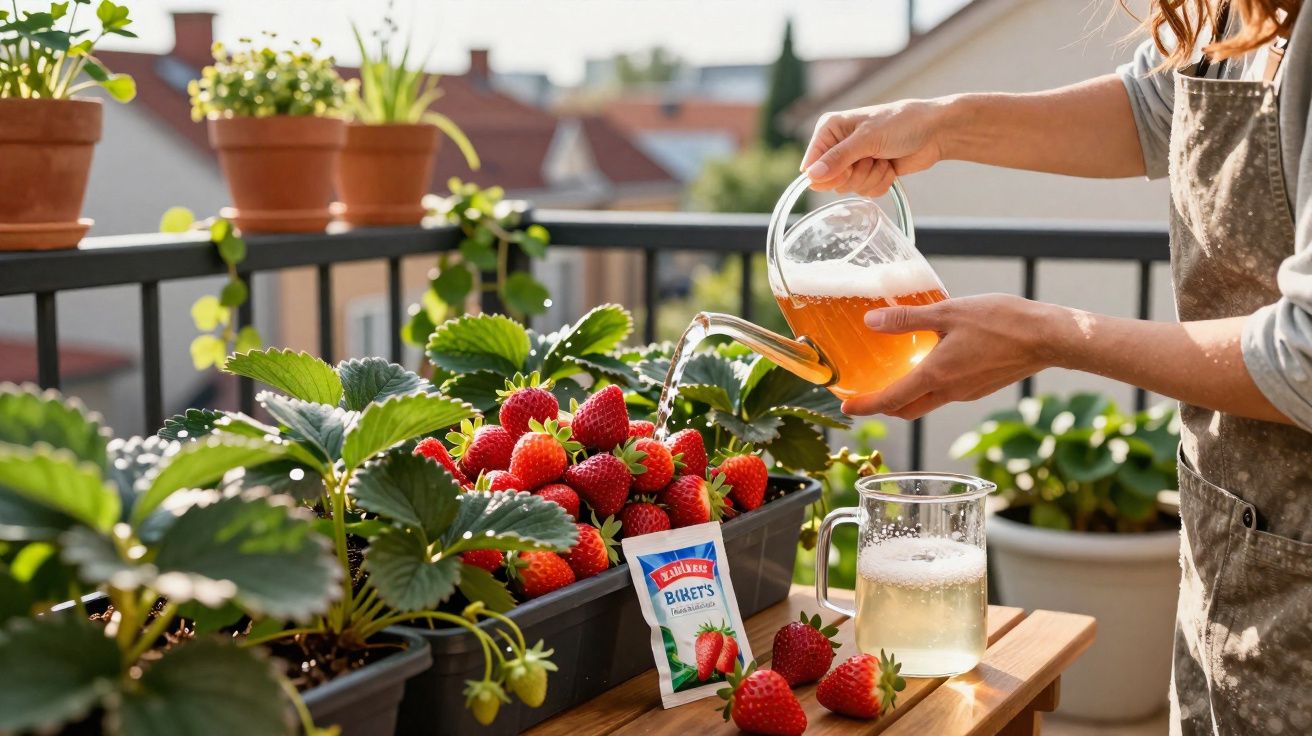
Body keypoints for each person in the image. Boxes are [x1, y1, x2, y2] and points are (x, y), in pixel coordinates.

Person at [801, 1, 1309, 733]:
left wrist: (1051, 334)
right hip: (1236, 547)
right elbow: (1156, 109)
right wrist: (938, 123)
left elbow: (1307, 353)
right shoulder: (1238, 13)